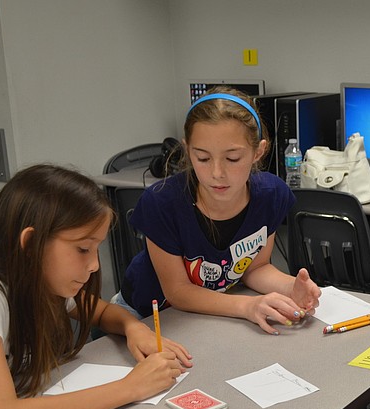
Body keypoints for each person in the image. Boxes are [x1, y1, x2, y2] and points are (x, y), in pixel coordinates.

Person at [0, 164, 193, 409]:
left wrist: (132, 327)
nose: (93, 266)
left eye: (96, 249)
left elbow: (101, 312)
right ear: (30, 243)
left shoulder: (36, 280)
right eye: (82, 249)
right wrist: (130, 387)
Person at [113, 87, 321, 334]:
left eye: (232, 159)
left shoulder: (270, 195)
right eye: (202, 158)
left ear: (259, 152)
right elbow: (178, 292)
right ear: (187, 149)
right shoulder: (162, 203)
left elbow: (255, 268)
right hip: (145, 318)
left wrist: (290, 287)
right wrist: (247, 306)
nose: (217, 173)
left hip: (210, 314)